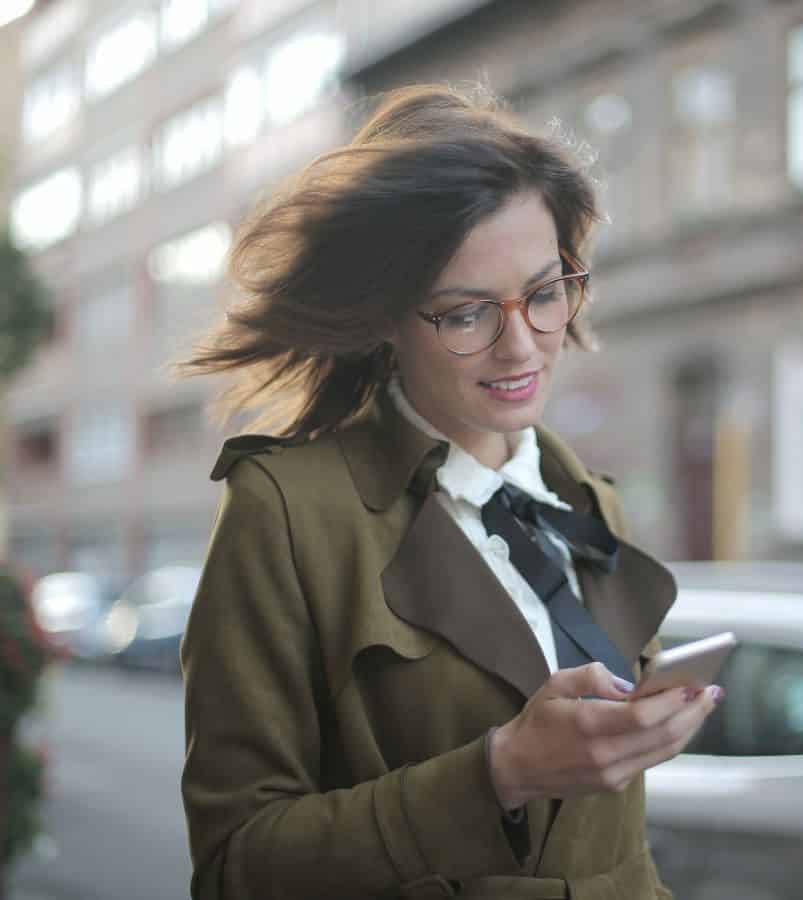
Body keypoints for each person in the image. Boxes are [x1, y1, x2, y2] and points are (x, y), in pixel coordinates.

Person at [176, 83, 721, 900]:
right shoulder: (287, 512)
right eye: (467, 314)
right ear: (387, 318)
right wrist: (498, 773)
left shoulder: (588, 502)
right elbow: (237, 865)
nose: (521, 347)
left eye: (544, 294)